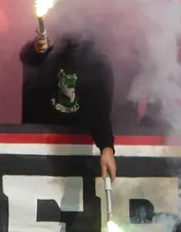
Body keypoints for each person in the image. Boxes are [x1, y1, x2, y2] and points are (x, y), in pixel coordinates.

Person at [20, 28, 117, 180]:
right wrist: (37, 48)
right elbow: (29, 57)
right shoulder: (49, 52)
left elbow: (100, 110)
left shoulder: (98, 63)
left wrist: (106, 147)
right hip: (40, 144)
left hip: (78, 146)